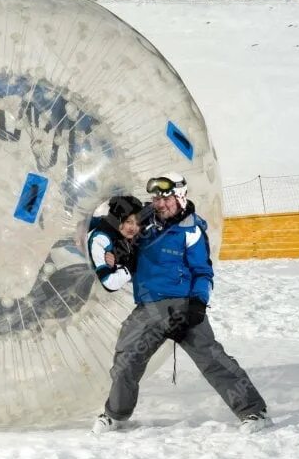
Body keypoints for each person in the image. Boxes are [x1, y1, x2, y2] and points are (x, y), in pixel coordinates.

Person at [92, 172, 271, 434]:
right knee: (126, 360)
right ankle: (116, 414)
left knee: (212, 359)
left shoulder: (192, 230)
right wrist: (117, 255)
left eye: (166, 198)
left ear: (180, 197)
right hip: (148, 307)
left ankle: (254, 411)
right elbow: (117, 230)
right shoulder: (144, 223)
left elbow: (203, 272)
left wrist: (197, 305)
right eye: (156, 198)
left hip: (183, 307)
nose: (160, 204)